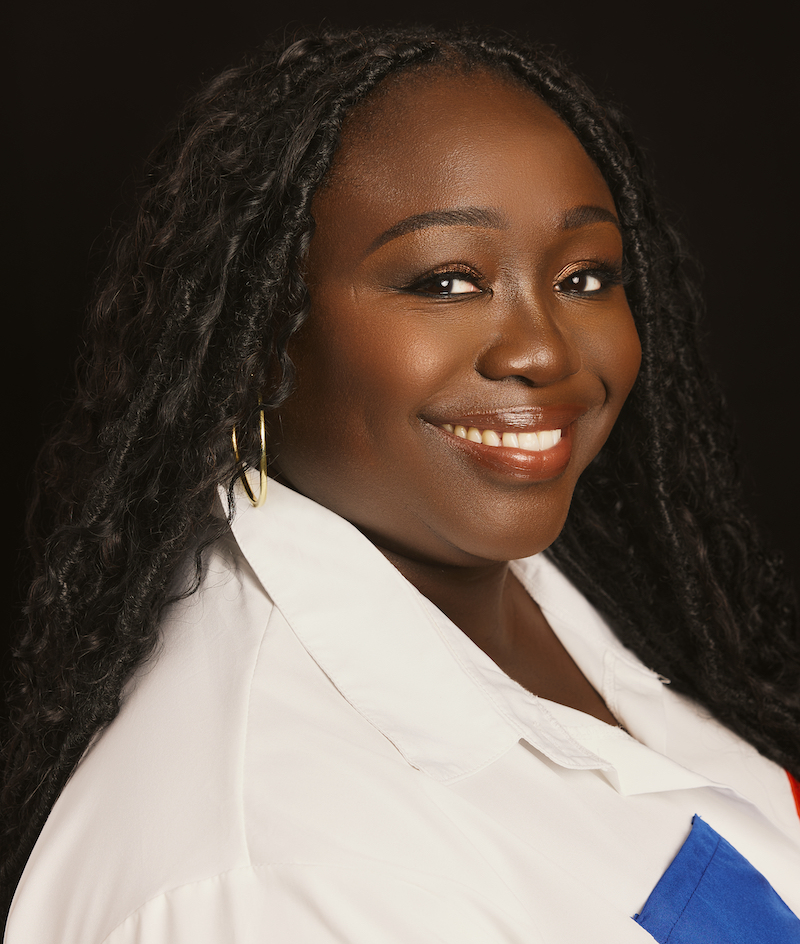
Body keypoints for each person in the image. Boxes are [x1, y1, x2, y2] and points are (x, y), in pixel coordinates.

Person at [2, 24, 799, 943]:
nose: (542, 348)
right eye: (448, 283)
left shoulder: (549, 580)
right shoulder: (281, 877)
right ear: (261, 338)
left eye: (585, 276)